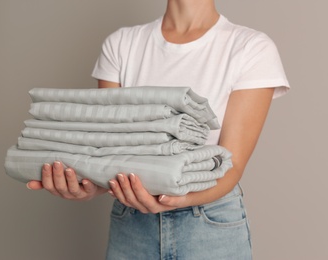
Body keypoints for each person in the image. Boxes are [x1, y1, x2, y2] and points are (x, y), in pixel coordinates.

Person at [27, 0, 290, 259]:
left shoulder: (250, 48)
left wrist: (175, 199)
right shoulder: (121, 45)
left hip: (209, 225)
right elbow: (109, 152)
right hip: (131, 223)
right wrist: (86, 184)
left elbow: (231, 164)